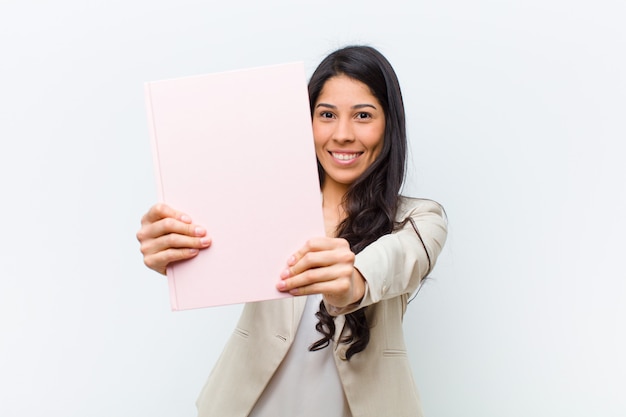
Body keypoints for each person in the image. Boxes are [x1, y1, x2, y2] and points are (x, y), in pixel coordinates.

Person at [136, 45, 447, 417]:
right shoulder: (265, 202)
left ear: (389, 124)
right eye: (326, 114)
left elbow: (396, 261)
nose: (343, 134)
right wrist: (171, 253)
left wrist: (352, 281)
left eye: (363, 115)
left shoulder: (420, 219)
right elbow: (207, 249)